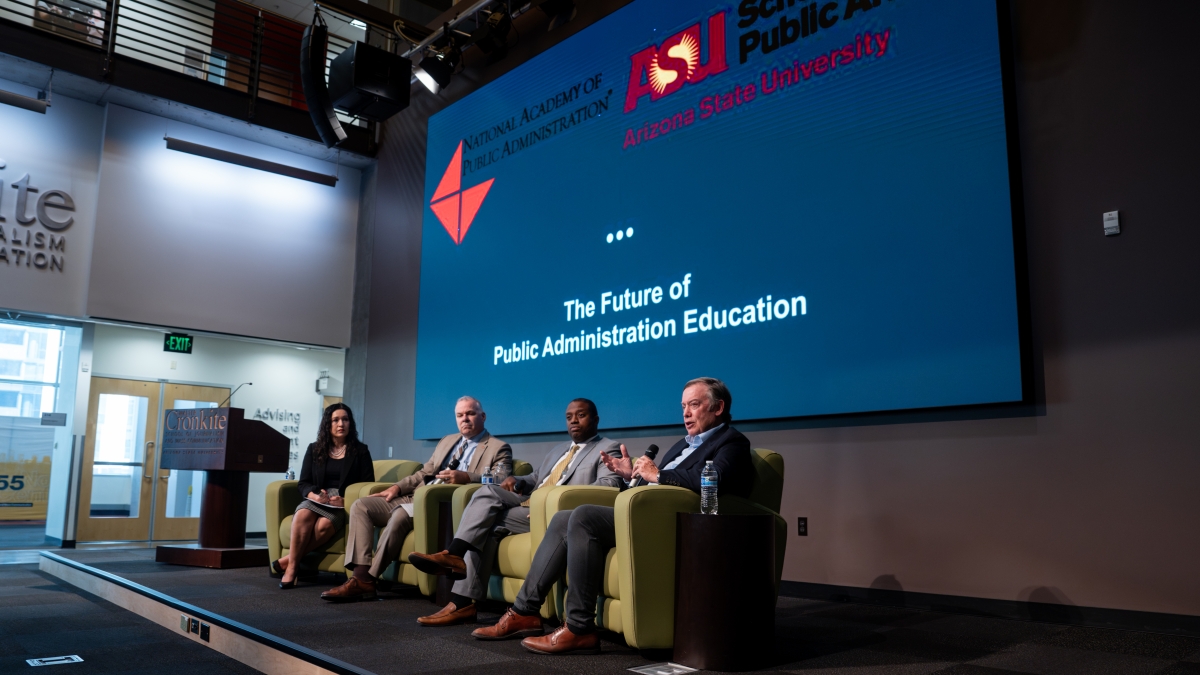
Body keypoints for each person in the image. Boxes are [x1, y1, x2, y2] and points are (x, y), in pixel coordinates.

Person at [419, 377, 753, 653]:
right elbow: (658, 481)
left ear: (718, 407)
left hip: (671, 520)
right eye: (683, 406)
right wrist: (630, 474)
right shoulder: (683, 445)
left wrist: (655, 475)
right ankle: (523, 611)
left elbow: (710, 481)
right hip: (640, 510)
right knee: (564, 518)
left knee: (579, 514)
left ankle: (578, 626)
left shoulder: (731, 442)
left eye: (693, 405)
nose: (686, 413)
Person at [408, 398, 623, 627]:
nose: (574, 422)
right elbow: (536, 478)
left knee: (485, 524)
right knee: (488, 492)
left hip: (554, 513)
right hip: (528, 504)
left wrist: (549, 502)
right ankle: (456, 570)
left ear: (596, 419)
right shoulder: (559, 450)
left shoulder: (607, 448)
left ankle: (461, 595)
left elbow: (608, 485)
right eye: (569, 417)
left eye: (580, 415)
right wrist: (517, 480)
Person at [321, 396, 512, 602]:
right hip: (416, 495)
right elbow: (424, 473)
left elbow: (501, 480)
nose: (465, 419)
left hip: (439, 504)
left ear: (482, 416)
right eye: (460, 415)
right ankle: (359, 575)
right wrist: (396, 487)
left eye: (470, 414)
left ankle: (367, 580)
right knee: (361, 506)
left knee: (399, 515)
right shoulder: (448, 441)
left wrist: (467, 478)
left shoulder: (497, 447)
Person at [275, 403, 374, 589]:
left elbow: (368, 484)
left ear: (350, 423)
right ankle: (292, 568)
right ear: (327, 424)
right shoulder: (314, 449)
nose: (341, 424)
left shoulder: (360, 451)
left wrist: (346, 500)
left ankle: (289, 560)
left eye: (345, 419)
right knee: (303, 514)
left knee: (324, 525)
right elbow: (303, 483)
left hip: (341, 504)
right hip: (317, 498)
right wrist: (314, 495)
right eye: (335, 420)